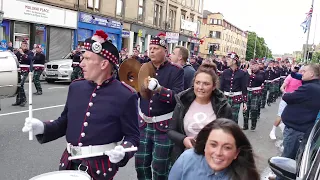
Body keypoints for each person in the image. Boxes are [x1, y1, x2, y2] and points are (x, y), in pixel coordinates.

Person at [22, 30, 140, 180]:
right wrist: (42, 127)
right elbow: (64, 123)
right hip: (69, 163)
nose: (81, 63)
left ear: (104, 64)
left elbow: (133, 137)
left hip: (100, 169)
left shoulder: (125, 95)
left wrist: (123, 152)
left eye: (87, 59)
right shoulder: (76, 87)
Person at [135, 32, 184, 180]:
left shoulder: (176, 71)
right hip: (143, 124)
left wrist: (159, 90)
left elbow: (177, 98)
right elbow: (138, 94)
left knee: (160, 167)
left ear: (165, 51)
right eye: (150, 48)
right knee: (141, 165)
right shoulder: (143, 67)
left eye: (156, 48)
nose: (151, 51)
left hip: (163, 125)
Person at [167, 63, 232, 162]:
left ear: (214, 86)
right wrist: (183, 140)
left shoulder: (223, 107)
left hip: (212, 160)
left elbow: (230, 137)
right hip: (184, 158)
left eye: (206, 84)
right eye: (198, 82)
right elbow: (171, 130)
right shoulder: (182, 102)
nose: (200, 87)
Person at [168, 118, 260, 180]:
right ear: (205, 145)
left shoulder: (245, 176)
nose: (218, 153)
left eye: (227, 147)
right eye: (213, 145)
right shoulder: (187, 159)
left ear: (236, 153)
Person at [281, 64, 320, 160]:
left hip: (296, 130)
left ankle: (281, 175)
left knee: (287, 160)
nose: (301, 73)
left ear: (311, 74)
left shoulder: (310, 88)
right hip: (301, 129)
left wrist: (286, 93)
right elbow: (296, 75)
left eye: (304, 71)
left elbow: (287, 97)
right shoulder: (314, 85)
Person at [269, 66, 303, 140]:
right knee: (280, 115)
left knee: (293, 117)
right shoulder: (290, 77)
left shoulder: (303, 80)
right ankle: (273, 130)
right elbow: (282, 87)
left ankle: (286, 131)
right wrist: (285, 93)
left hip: (296, 101)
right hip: (286, 99)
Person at [220, 52, 248, 123]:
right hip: (225, 98)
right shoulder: (225, 72)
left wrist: (244, 102)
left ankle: (233, 133)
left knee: (233, 119)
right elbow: (221, 87)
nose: (227, 61)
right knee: (224, 118)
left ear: (234, 61)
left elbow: (244, 88)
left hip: (236, 99)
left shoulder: (242, 73)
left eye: (229, 59)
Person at [243, 60, 265, 131]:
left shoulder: (261, 72)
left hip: (255, 92)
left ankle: (253, 125)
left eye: (254, 65)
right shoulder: (247, 72)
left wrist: (251, 75)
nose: (252, 66)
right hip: (247, 91)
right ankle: (245, 126)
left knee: (253, 109)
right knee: (245, 110)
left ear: (257, 65)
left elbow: (260, 80)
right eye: (251, 65)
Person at [12, 39, 34, 107]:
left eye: (25, 45)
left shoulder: (30, 52)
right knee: (17, 85)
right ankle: (18, 100)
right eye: (23, 45)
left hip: (25, 70)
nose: (24, 46)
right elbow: (15, 60)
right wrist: (13, 53)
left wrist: (23, 54)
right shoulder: (18, 52)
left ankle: (24, 100)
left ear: (27, 46)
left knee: (21, 84)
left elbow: (30, 59)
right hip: (18, 70)